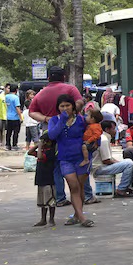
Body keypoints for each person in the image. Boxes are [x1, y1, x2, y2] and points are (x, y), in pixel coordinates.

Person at [27, 66, 94, 206]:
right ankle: (86, 195)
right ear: (64, 77)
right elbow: (80, 102)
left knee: (57, 166)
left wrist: (46, 118)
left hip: (50, 133)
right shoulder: (70, 89)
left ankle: (60, 197)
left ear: (49, 78)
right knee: (80, 162)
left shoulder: (41, 94)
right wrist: (72, 114)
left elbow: (31, 112)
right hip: (71, 130)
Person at [48, 94, 94, 227]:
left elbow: (91, 132)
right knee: (73, 186)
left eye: (67, 105)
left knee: (80, 188)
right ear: (58, 107)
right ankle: (83, 218)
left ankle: (77, 215)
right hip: (65, 159)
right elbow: (52, 135)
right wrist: (62, 120)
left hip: (82, 158)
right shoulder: (54, 120)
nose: (65, 108)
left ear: (73, 106)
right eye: (62, 106)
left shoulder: (81, 120)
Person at [93, 120, 133, 197]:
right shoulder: (104, 140)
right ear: (107, 129)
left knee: (127, 162)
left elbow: (109, 158)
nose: (115, 131)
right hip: (100, 168)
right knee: (129, 164)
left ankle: (124, 187)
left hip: (100, 167)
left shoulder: (104, 138)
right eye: (113, 129)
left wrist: (119, 163)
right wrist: (119, 164)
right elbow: (106, 160)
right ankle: (121, 189)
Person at [27, 132, 56, 227]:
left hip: (49, 179)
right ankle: (43, 219)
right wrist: (36, 146)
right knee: (42, 201)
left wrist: (39, 147)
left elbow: (39, 156)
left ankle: (51, 219)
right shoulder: (42, 150)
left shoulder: (50, 151)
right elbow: (29, 152)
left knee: (51, 201)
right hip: (41, 179)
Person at [5, 84, 23, 151]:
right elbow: (17, 108)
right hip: (15, 117)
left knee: (9, 132)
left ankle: (8, 145)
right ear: (16, 90)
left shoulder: (6, 96)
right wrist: (20, 117)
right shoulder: (16, 97)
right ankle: (14, 145)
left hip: (9, 116)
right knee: (15, 132)